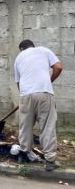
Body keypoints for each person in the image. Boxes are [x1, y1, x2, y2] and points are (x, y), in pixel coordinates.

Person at [14, 39, 63, 170]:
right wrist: (49, 81)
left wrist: (26, 95)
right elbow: (58, 67)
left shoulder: (18, 58)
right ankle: (50, 161)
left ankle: (24, 154)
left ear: (21, 49)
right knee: (47, 126)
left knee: (25, 126)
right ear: (33, 46)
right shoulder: (44, 50)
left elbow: (18, 82)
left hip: (25, 95)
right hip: (44, 92)